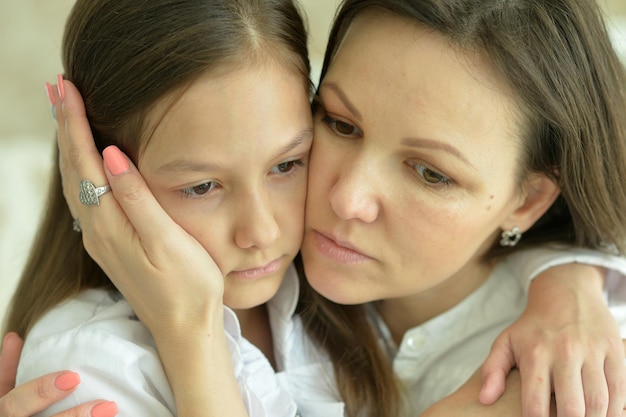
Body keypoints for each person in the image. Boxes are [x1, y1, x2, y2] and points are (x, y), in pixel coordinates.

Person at [5, 0, 626, 416]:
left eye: (431, 172)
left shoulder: (573, 369)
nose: (344, 198)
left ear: (530, 200)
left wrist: (571, 282)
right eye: (339, 123)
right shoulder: (266, 301)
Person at [3, 0, 331, 416]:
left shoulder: (332, 283)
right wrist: (191, 336)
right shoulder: (93, 367)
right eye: (202, 187)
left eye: (286, 165)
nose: (262, 232)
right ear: (100, 177)